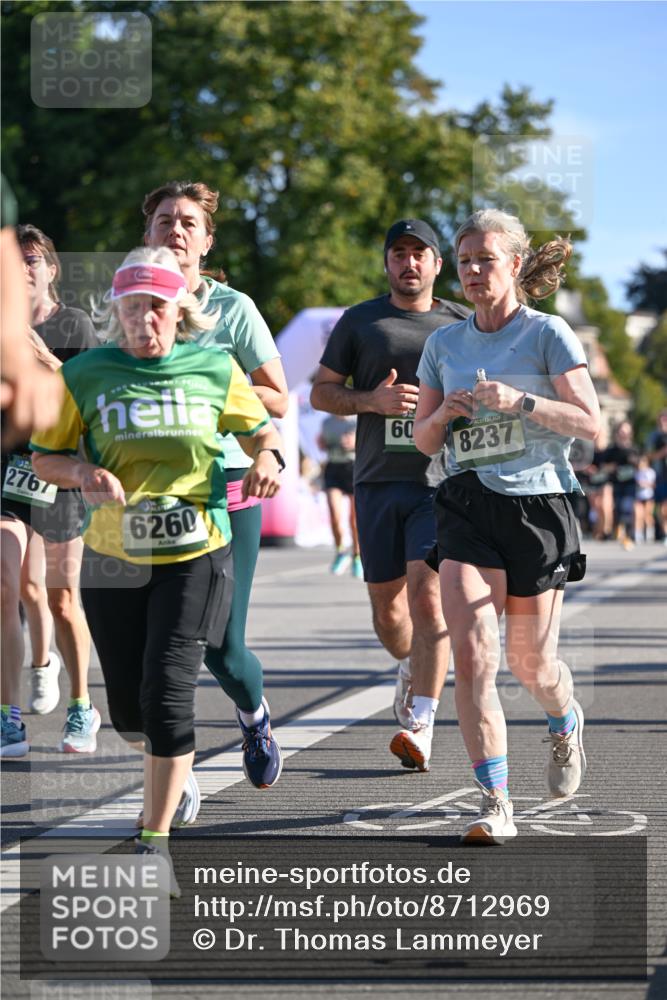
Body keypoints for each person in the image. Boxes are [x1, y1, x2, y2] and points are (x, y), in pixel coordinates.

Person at [31, 247, 285, 876]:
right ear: (115, 312)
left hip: (196, 551)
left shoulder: (213, 367)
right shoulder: (84, 374)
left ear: (180, 311)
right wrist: (83, 473)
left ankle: (155, 841)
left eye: (157, 307)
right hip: (113, 557)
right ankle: (163, 763)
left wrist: (266, 458)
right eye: (132, 308)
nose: (144, 319)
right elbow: (45, 457)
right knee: (128, 711)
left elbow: (262, 429)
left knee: (168, 694)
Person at [414, 208, 600, 843]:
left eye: (485, 260)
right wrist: (446, 415)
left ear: (515, 265)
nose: (472, 271)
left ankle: (563, 717)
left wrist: (521, 401)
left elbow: (590, 423)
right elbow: (423, 440)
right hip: (466, 503)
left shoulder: (548, 333)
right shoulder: (443, 345)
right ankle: (496, 801)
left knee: (531, 665)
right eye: (464, 261)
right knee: (472, 656)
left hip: (539, 505)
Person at [142, 180, 288, 788]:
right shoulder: (125, 305)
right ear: (147, 234)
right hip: (148, 485)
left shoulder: (233, 308)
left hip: (226, 480)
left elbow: (278, 397)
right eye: (165, 220)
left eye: (188, 223)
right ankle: (172, 766)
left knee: (222, 647)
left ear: (206, 242)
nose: (176, 230)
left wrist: (210, 390)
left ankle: (254, 717)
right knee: (151, 641)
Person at [311, 219, 470, 772]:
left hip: (440, 483)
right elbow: (321, 392)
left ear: (437, 264)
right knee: (388, 612)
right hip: (377, 482)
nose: (409, 262)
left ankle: (421, 722)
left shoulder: (462, 322)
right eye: (398, 253)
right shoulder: (361, 321)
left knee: (429, 600)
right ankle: (411, 664)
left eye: (419, 253)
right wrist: (370, 401)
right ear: (387, 263)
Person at [1, 225, 97, 758]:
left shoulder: (73, 324)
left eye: (32, 259)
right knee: (6, 588)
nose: (22, 269)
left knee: (60, 598)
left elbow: (94, 404)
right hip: (8, 473)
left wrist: (47, 362)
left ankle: (82, 705)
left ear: (52, 269)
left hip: (60, 472)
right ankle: (8, 717)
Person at [317, 414, 362, 577]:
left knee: (354, 520)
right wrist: (322, 443)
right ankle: (341, 551)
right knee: (335, 514)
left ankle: (357, 555)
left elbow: (367, 443)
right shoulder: (326, 422)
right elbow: (322, 444)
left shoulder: (356, 421)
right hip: (333, 468)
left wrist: (354, 442)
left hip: (353, 467)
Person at [600, 420, 640, 550]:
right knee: (617, 509)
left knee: (627, 507)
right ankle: (618, 532)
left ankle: (629, 535)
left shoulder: (634, 449)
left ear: (630, 433)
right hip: (616, 484)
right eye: (622, 432)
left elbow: (642, 464)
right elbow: (603, 466)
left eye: (626, 432)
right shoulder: (611, 450)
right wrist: (612, 467)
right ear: (617, 433)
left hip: (630, 484)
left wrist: (636, 463)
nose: (624, 434)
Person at [647, 409, 667, 543]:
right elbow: (648, 456)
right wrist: (662, 453)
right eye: (662, 420)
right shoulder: (653, 437)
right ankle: (665, 533)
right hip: (660, 475)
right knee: (662, 507)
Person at [633, 453, 656, 542]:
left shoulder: (650, 472)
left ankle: (650, 533)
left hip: (648, 497)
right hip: (639, 497)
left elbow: (653, 484)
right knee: (638, 515)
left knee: (648, 516)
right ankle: (638, 534)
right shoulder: (637, 472)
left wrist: (644, 484)